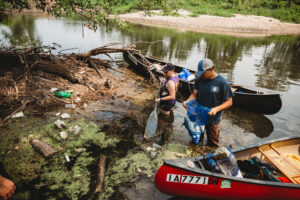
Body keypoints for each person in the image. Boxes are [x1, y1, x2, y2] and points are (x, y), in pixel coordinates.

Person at [183, 58, 233, 147]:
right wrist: (187, 101)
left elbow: (229, 101)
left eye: (203, 73)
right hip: (199, 116)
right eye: (200, 73)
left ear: (211, 69)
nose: (201, 75)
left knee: (213, 143)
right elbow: (194, 94)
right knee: (197, 139)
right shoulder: (199, 79)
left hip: (213, 119)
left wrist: (216, 109)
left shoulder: (222, 83)